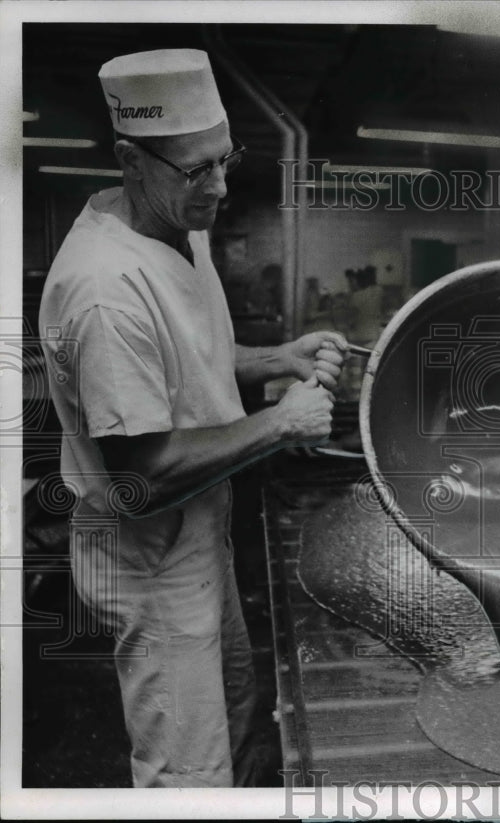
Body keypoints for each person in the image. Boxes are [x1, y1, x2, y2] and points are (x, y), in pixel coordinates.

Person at [38, 48, 347, 787]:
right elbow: (142, 472)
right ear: (130, 159)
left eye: (224, 158)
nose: (220, 185)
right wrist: (280, 424)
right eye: (195, 169)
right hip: (148, 556)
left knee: (237, 717)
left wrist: (276, 358)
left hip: (198, 535)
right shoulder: (104, 290)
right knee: (186, 770)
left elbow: (187, 360)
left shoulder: (180, 219)